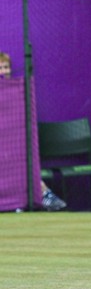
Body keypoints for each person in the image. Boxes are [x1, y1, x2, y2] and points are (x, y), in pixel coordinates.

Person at [0, 51, 67, 211]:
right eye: (0, 68)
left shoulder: (16, 93)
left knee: (26, 168)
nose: (4, 71)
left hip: (14, 149)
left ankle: (44, 195)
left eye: (6, 67)